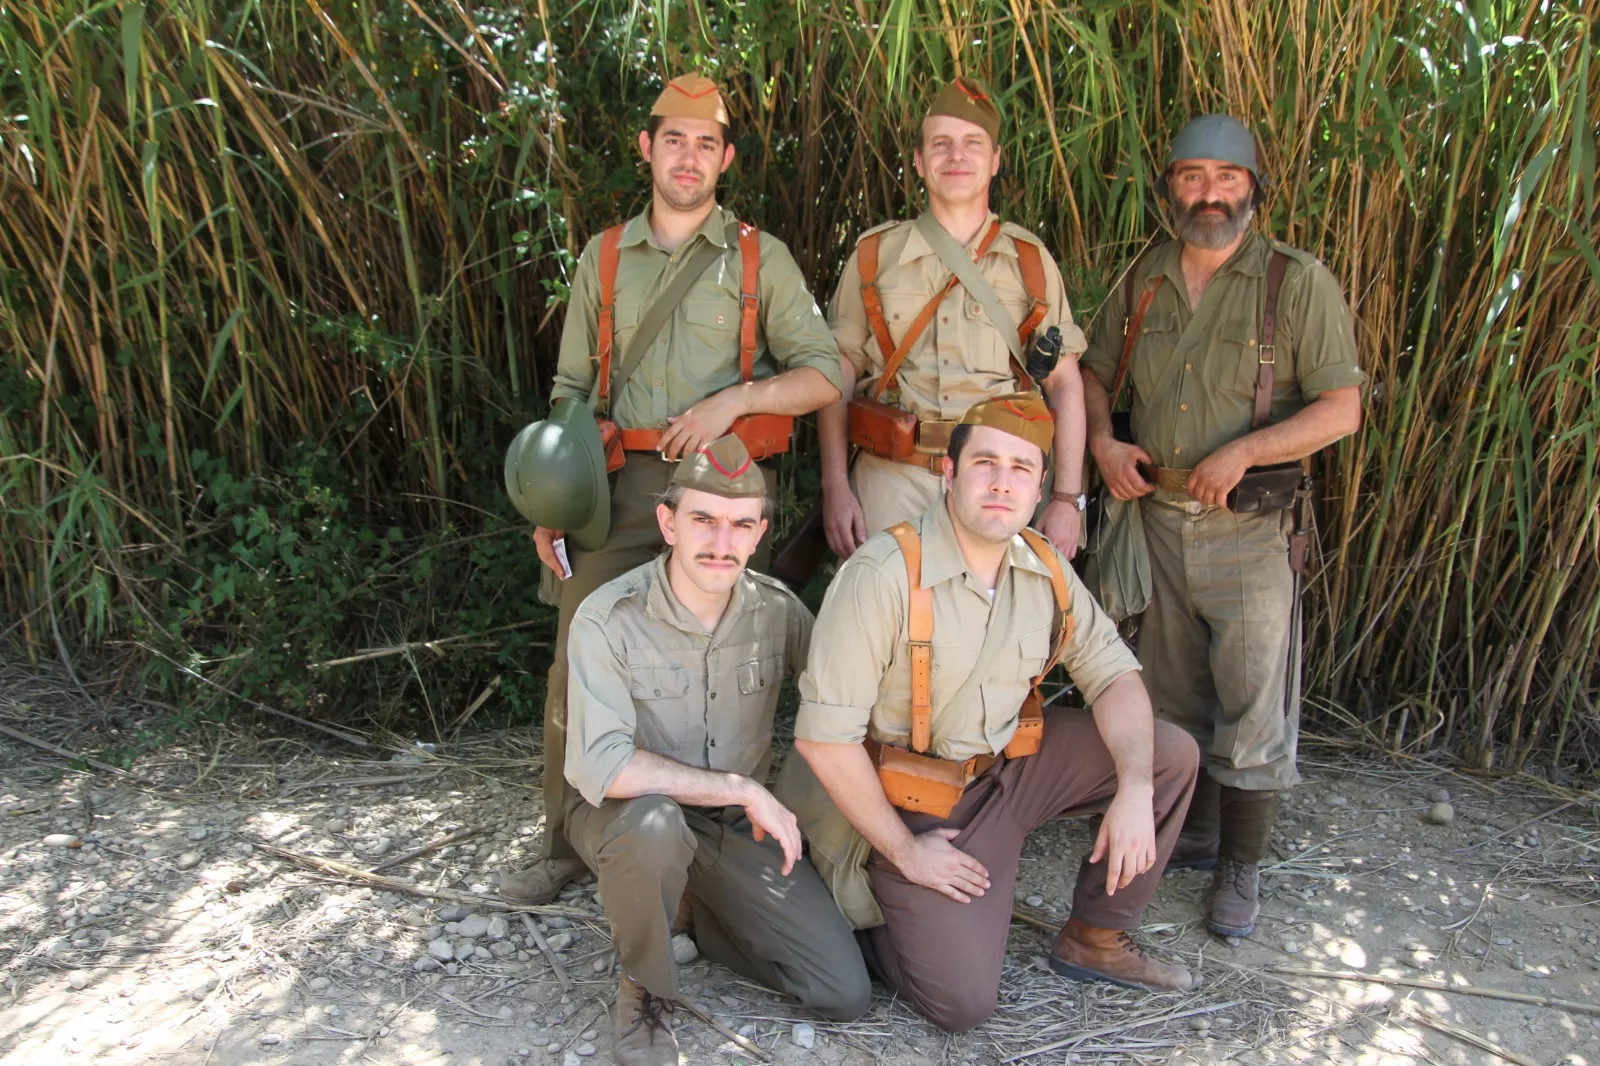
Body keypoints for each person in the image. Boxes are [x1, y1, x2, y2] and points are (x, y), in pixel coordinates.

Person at [505, 74, 843, 904]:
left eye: (705, 144)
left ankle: (712, 837)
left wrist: (740, 399)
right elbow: (570, 395)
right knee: (574, 659)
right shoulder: (605, 255)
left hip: (718, 498)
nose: (688, 158)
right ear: (646, 149)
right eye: (673, 140)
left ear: (724, 158)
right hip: (617, 490)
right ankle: (563, 844)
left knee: (721, 664)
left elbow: (825, 374)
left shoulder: (761, 259)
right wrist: (551, 505)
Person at [777, 393, 1200, 1033]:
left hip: (1012, 768)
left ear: (1040, 489)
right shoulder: (884, 575)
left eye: (1022, 468)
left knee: (1168, 757)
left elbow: (1114, 674)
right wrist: (908, 854)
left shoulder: (1045, 566)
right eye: (985, 463)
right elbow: (825, 741)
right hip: (913, 803)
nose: (1003, 482)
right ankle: (873, 909)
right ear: (948, 473)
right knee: (961, 1004)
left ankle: (1097, 937)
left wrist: (1136, 787)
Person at [1079, 114, 1364, 939]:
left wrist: (1243, 452)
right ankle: (1192, 833)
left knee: (1251, 698)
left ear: (1255, 190)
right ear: (1169, 184)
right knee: (1169, 692)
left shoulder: (1294, 282)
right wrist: (1101, 440)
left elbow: (1341, 409)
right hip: (1157, 520)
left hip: (1251, 527)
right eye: (1193, 175)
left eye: (1226, 178)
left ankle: (1240, 866)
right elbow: (1093, 375)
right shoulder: (1143, 277)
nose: (1209, 193)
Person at [562, 435, 870, 1064]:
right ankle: (645, 989)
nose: (721, 542)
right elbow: (603, 764)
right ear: (667, 522)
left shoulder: (777, 612)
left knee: (843, 992)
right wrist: (742, 788)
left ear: (760, 534)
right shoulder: (608, 616)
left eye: (740, 525)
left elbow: (846, 704)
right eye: (703, 519)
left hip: (729, 832)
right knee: (653, 826)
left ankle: (702, 912)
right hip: (626, 816)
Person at [819, 77, 1090, 561]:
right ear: (920, 161)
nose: (956, 156)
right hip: (892, 479)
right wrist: (835, 487)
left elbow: (1066, 384)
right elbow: (835, 377)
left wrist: (1068, 500)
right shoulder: (874, 255)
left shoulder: (1029, 261)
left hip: (999, 481)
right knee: (889, 625)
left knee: (997, 627)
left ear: (995, 160)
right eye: (940, 144)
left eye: (972, 144)